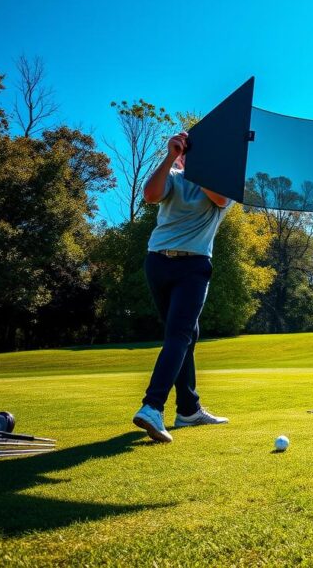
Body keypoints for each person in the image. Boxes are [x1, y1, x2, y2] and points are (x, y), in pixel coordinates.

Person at [132, 131, 233, 443]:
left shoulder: (222, 185)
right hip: (158, 264)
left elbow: (218, 199)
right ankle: (179, 409)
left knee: (181, 333)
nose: (187, 157)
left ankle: (164, 407)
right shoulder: (172, 177)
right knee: (183, 335)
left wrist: (200, 167)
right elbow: (150, 195)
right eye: (185, 153)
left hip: (194, 266)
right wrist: (169, 157)